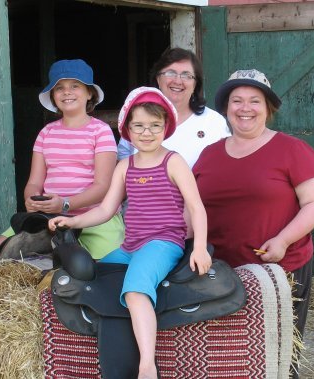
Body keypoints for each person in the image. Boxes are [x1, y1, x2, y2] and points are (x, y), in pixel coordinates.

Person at [49, 87, 211, 379]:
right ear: (127, 129)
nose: (146, 133)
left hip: (163, 242)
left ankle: (147, 364)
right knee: (95, 278)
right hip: (131, 244)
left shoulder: (173, 162)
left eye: (154, 126)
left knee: (136, 291)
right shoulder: (125, 166)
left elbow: (196, 207)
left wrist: (198, 247)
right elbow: (106, 209)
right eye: (138, 126)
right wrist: (72, 222)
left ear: (165, 128)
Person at [192, 69, 314, 377]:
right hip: (220, 271)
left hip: (280, 270)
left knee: (277, 352)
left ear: (269, 109)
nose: (245, 108)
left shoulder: (292, 150)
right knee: (228, 350)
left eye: (255, 100)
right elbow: (193, 207)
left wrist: (282, 239)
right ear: (226, 109)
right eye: (236, 100)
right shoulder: (209, 154)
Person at [0, 59, 124, 267]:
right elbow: (35, 182)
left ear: (89, 93)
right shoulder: (46, 133)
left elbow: (103, 186)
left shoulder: (100, 131)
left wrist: (65, 203)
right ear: (53, 96)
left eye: (75, 86)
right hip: (48, 219)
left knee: (103, 268)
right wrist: (31, 200)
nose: (67, 92)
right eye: (59, 88)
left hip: (94, 218)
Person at [117, 48, 229, 168]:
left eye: (186, 75)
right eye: (171, 73)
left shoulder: (214, 121)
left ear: (195, 84)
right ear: (158, 79)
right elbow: (125, 167)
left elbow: (225, 167)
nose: (178, 81)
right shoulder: (136, 119)